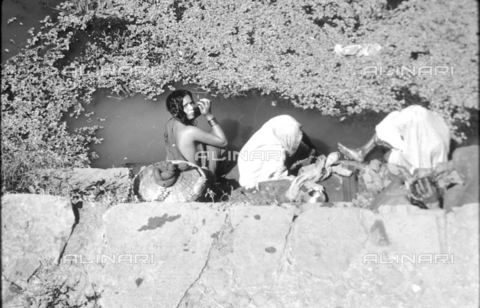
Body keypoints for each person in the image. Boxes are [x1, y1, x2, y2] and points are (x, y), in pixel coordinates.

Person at [338, 105, 451, 173]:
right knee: (393, 118)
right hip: (425, 136)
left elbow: (417, 168)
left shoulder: (420, 151)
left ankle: (364, 151)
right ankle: (362, 151)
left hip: (423, 165)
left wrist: (391, 156)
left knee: (389, 157)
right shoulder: (423, 117)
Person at [237, 115, 316, 189]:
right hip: (253, 183)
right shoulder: (277, 155)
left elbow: (296, 130)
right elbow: (279, 178)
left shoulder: (271, 128)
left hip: (245, 162)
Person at [164, 89, 228, 176]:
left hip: (181, 170)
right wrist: (209, 115)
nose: (191, 108)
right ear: (176, 110)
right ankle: (217, 176)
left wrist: (203, 108)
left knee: (212, 136)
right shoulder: (190, 131)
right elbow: (223, 142)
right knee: (218, 143)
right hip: (197, 175)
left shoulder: (170, 123)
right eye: (185, 105)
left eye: (191, 103)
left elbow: (189, 115)